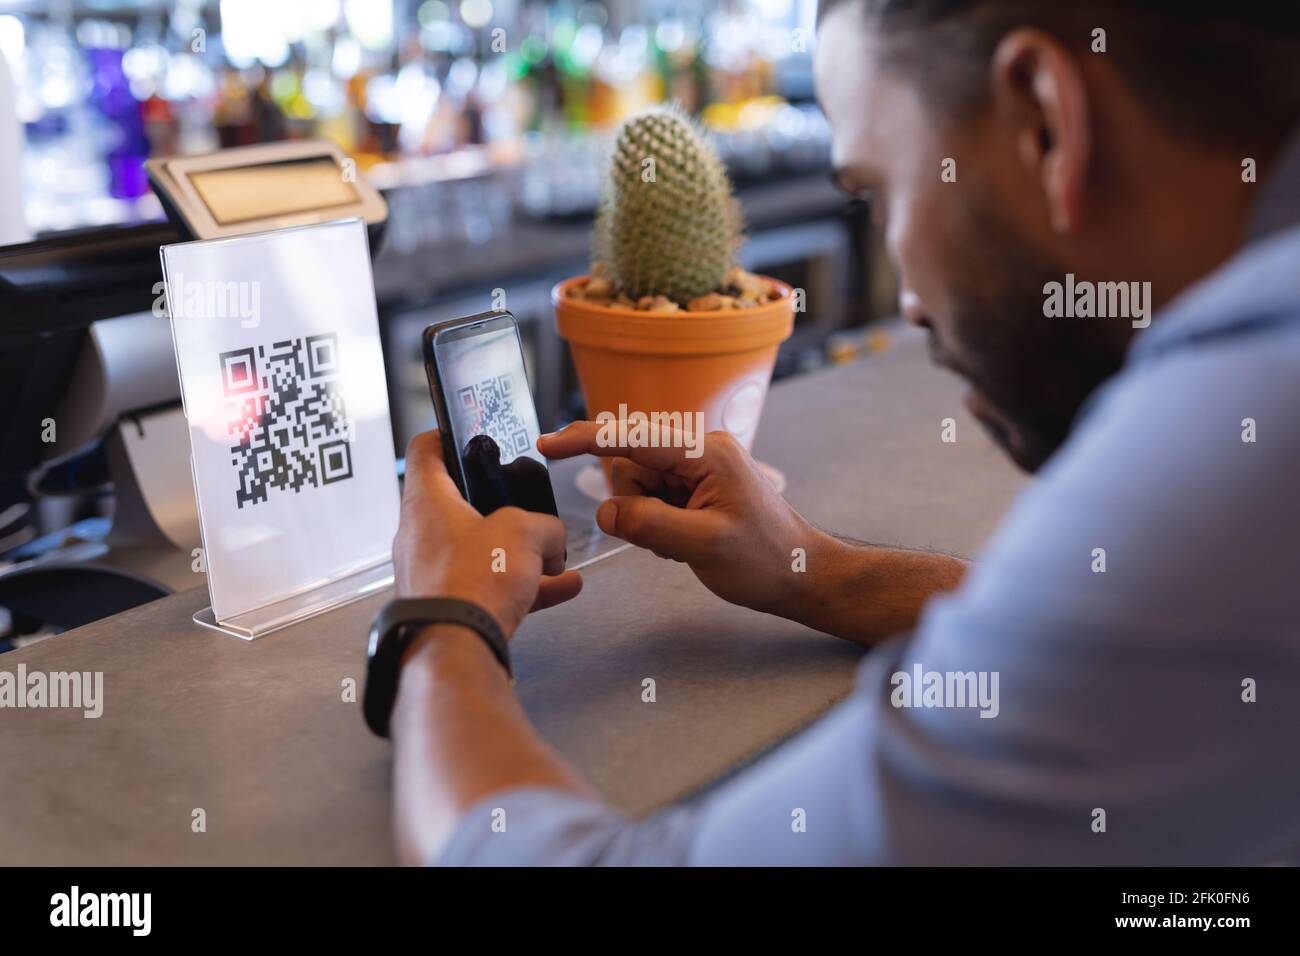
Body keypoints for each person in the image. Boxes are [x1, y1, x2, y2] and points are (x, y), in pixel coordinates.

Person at [387, 0, 1300, 865]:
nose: (907, 299)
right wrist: (810, 569)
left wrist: (443, 625)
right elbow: (1137, 671)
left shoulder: (1238, 454)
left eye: (882, 193)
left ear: (1045, 122)